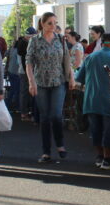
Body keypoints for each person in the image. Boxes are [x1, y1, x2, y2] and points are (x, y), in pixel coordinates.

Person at [26, 12, 75, 163]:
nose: (53, 26)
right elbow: (29, 62)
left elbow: (67, 60)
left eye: (55, 22)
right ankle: (46, 151)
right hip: (40, 82)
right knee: (45, 117)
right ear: (42, 24)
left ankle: (60, 145)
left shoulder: (61, 39)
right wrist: (31, 82)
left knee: (56, 115)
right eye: (50, 23)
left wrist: (71, 77)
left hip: (58, 81)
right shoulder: (34, 41)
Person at [77, 32, 110, 169]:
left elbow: (79, 78)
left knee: (96, 130)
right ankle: (108, 159)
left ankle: (100, 156)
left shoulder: (90, 57)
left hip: (91, 100)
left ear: (101, 44)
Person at [18, 27, 37, 122]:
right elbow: (25, 60)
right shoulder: (25, 44)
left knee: (26, 93)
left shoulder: (22, 43)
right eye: (32, 37)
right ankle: (24, 113)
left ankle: (25, 112)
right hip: (25, 72)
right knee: (25, 93)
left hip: (25, 72)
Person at [4, 40, 21, 112]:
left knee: (12, 90)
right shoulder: (19, 51)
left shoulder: (11, 49)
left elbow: (5, 55)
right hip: (17, 72)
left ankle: (9, 105)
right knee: (16, 90)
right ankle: (14, 106)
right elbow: (19, 62)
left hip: (10, 71)